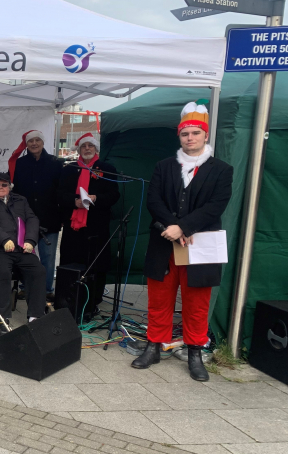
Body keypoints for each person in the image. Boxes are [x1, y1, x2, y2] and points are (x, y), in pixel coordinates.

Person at [132, 101, 233, 381]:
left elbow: (216, 205)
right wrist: (173, 227)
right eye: (185, 134)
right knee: (159, 299)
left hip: (200, 246)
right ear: (179, 136)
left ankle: (194, 353)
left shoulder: (222, 170)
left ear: (205, 136)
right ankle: (154, 346)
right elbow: (154, 200)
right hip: (165, 242)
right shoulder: (164, 167)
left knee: (196, 302)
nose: (190, 138)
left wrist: (185, 226)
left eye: (195, 133)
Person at [0, 173, 47, 334]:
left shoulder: (20, 200)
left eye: (4, 185)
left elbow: (32, 219)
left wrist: (30, 240)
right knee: (3, 273)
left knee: (38, 271)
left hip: (22, 248)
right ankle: (3, 318)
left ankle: (35, 316)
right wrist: (4, 238)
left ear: (10, 187)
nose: (0, 188)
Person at [57, 133, 120, 316]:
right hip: (73, 226)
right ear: (78, 149)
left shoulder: (106, 169)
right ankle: (67, 298)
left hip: (96, 226)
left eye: (90, 146)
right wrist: (74, 201)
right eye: (83, 146)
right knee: (70, 261)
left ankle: (94, 300)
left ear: (95, 149)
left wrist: (96, 198)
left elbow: (114, 195)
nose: (86, 149)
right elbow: (59, 194)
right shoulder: (69, 169)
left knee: (96, 264)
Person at [7, 130, 63, 300]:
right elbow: (14, 191)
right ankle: (25, 286)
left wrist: (60, 216)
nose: (34, 144)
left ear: (43, 142)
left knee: (48, 256)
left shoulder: (55, 163)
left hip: (49, 216)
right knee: (26, 256)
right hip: (25, 218)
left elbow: (61, 191)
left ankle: (46, 290)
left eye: (38, 140)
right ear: (27, 144)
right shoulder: (20, 163)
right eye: (31, 141)